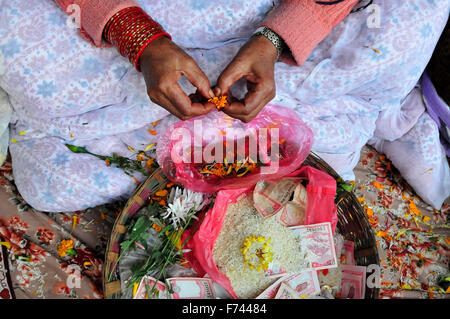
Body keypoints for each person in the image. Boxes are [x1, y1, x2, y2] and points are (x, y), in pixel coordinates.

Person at [0, 0, 448, 212]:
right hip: (127, 16)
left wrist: (276, 38)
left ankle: (183, 143)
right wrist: (136, 37)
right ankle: (226, 138)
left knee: (419, 11)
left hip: (275, 17)